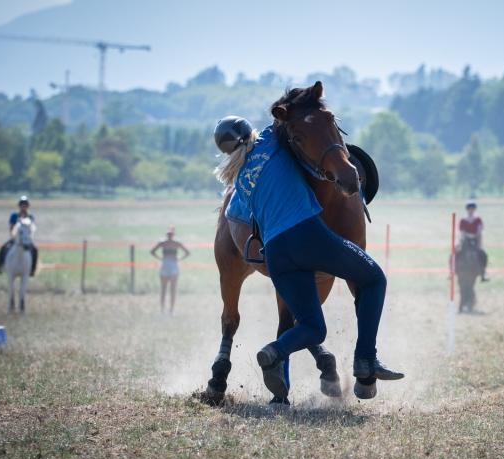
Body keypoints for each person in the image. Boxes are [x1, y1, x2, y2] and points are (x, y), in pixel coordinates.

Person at [214, 115, 404, 401]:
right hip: (308, 236)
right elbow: (295, 126)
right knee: (374, 279)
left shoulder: (238, 178)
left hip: (276, 254)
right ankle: (366, 360)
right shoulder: (268, 141)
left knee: (311, 326)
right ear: (249, 132)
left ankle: (274, 353)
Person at [150, 227, 190, 315]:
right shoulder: (162, 243)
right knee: (163, 289)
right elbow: (152, 251)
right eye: (168, 234)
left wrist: (179, 259)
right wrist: (160, 258)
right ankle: (162, 310)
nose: (169, 235)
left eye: (171, 234)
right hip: (164, 264)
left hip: (173, 265)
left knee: (173, 289)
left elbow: (187, 252)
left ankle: (171, 310)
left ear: (173, 234)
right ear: (166, 234)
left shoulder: (177, 243)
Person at [0, 196, 38, 276]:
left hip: (27, 240)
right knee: (3, 248)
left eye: (25, 205)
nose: (23, 206)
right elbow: (11, 227)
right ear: (19, 206)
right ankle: (0, 267)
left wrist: (29, 238)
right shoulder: (14, 216)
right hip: (15, 239)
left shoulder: (30, 217)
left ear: (27, 206)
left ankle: (32, 270)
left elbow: (32, 229)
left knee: (35, 250)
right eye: (22, 204)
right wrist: (13, 236)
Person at [459, 201, 488, 281]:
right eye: (469, 209)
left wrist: (479, 243)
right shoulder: (463, 220)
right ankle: (452, 271)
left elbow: (479, 231)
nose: (471, 210)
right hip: (466, 239)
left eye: (472, 209)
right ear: (467, 210)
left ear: (474, 209)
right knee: (456, 252)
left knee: (483, 254)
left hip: (475, 238)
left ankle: (483, 273)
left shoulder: (478, 219)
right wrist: (461, 241)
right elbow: (462, 232)